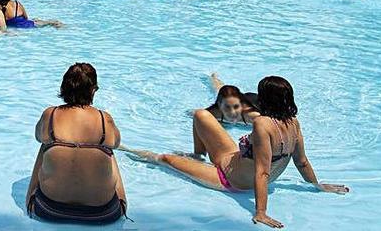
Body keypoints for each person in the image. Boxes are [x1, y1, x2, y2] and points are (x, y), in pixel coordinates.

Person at [123, 76, 348, 228]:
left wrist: (260, 212)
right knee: (202, 115)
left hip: (230, 179)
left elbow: (262, 172)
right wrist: (317, 185)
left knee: (166, 159)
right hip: (231, 159)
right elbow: (302, 162)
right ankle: (198, 155)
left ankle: (125, 149)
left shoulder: (263, 125)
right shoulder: (293, 123)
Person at [26, 63, 127, 224]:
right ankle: (122, 201)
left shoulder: (50, 115)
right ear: (93, 90)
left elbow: (38, 136)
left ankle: (29, 198)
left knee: (47, 143)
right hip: (103, 214)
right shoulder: (104, 119)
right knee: (107, 149)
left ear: (64, 87)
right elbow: (116, 143)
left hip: (48, 210)